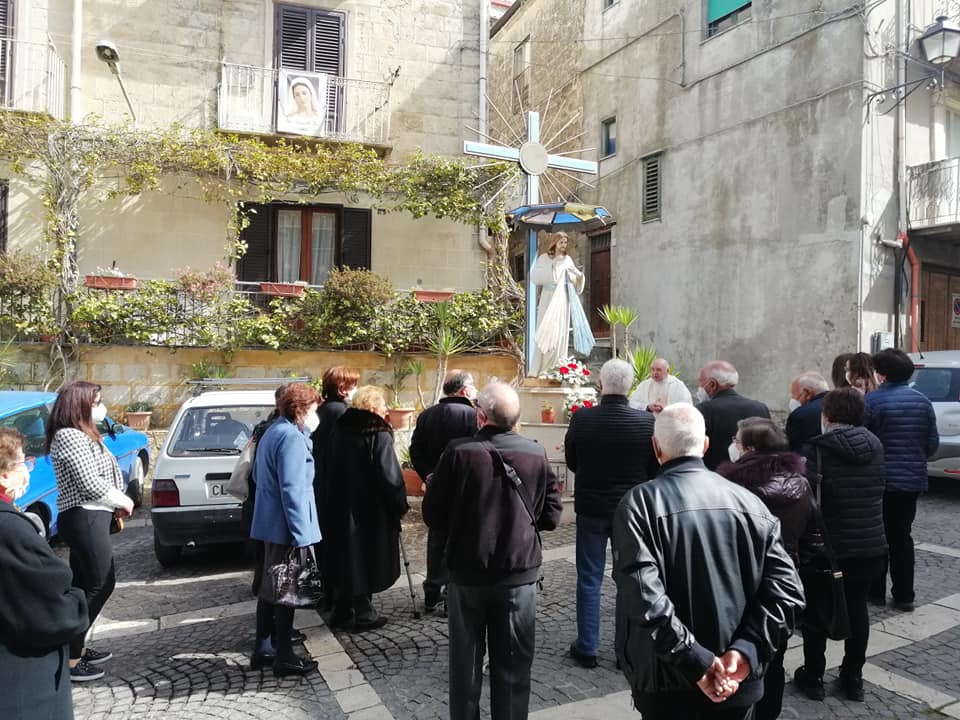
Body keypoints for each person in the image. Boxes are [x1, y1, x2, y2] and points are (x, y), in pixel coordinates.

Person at [611, 403, 805, 720]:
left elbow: (643, 595)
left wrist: (700, 661)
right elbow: (788, 592)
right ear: (704, 446)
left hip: (668, 681)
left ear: (656, 448)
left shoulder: (639, 504)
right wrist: (745, 653)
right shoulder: (749, 502)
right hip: (733, 681)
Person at [423, 382, 563, 720]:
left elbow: (432, 515)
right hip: (518, 576)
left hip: (467, 574)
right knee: (513, 668)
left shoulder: (458, 452)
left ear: (480, 416)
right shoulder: (535, 453)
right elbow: (552, 516)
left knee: (466, 666)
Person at [717, 417, 820, 719]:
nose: (733, 446)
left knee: (734, 650)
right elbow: (815, 537)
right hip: (782, 582)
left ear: (748, 448)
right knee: (774, 654)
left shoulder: (731, 485)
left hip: (736, 583)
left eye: (736, 441)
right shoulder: (801, 482)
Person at [795, 388, 888, 702]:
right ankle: (853, 678)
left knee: (817, 612)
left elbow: (804, 501)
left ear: (827, 415)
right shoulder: (875, 445)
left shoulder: (816, 450)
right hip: (870, 543)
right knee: (858, 609)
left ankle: (813, 676)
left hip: (828, 548)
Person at [564, 359, 657, 668]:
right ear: (630, 386)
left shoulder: (582, 419)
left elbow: (572, 461)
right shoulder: (646, 423)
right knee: (629, 579)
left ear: (600, 384)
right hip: (630, 511)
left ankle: (588, 647)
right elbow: (653, 469)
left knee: (589, 578)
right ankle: (625, 651)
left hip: (591, 507)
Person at [46, 381, 134, 682]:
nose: (102, 407)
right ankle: (71, 655)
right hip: (84, 515)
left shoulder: (84, 434)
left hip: (94, 514)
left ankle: (76, 646)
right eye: (97, 402)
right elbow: (89, 482)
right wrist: (123, 500)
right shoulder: (69, 436)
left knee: (86, 585)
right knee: (100, 584)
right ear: (80, 405)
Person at [0, 428, 89, 719]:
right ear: (3, 474)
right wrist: (77, 600)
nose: (28, 470)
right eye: (23, 463)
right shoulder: (9, 529)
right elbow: (50, 609)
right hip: (21, 686)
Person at [250, 382, 322, 677]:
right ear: (301, 409)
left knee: (271, 589)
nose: (317, 413)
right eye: (314, 407)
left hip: (270, 522)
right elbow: (292, 489)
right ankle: (284, 656)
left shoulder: (273, 431)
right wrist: (300, 533)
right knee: (287, 591)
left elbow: (256, 474)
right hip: (287, 527)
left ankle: (263, 647)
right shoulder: (291, 437)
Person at [324, 386, 409, 632]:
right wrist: (399, 504)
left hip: (340, 504)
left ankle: (341, 610)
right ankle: (364, 613)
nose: (385, 412)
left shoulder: (339, 429)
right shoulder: (378, 433)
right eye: (383, 407)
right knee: (366, 557)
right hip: (371, 510)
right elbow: (390, 476)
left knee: (347, 557)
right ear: (373, 408)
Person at [865, 348, 938, 612]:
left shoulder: (872, 402)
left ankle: (875, 592)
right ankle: (905, 594)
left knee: (878, 535)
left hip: (881, 480)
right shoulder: (922, 401)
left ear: (882, 374)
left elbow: (866, 442)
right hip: (911, 480)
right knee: (902, 536)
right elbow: (932, 444)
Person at [409, 369, 478, 613]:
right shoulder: (473, 416)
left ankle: (431, 592)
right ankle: (452, 595)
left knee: (437, 538)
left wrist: (428, 474)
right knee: (461, 538)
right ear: (465, 390)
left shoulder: (427, 415)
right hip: (465, 487)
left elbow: (414, 450)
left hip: (436, 486)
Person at [312, 366, 360, 603]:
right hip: (339, 488)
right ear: (343, 388)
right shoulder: (343, 414)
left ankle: (327, 592)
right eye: (353, 384)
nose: (356, 389)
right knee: (341, 546)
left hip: (320, 486)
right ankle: (341, 598)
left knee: (325, 544)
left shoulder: (320, 410)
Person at [695, 361, 770, 470]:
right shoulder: (761, 408)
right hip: (753, 476)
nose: (699, 387)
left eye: (700, 382)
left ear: (712, 384)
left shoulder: (704, 410)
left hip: (715, 477)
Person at [530, 232, 586, 376]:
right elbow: (535, 277)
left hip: (562, 300)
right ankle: (540, 369)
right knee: (545, 330)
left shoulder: (567, 260)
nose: (563, 245)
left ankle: (555, 367)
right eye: (561, 242)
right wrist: (552, 268)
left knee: (559, 333)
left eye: (565, 243)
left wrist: (579, 276)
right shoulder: (543, 259)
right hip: (548, 298)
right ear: (554, 243)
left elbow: (574, 282)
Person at [628, 357, 692, 413]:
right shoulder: (644, 385)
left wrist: (667, 409)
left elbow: (686, 407)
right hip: (647, 422)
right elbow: (632, 403)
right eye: (652, 369)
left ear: (667, 371)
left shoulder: (677, 385)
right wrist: (647, 407)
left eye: (658, 370)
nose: (655, 373)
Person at [785, 372, 830, 451]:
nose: (793, 399)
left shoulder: (800, 415)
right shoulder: (846, 405)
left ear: (808, 393)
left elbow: (793, 453)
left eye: (794, 395)